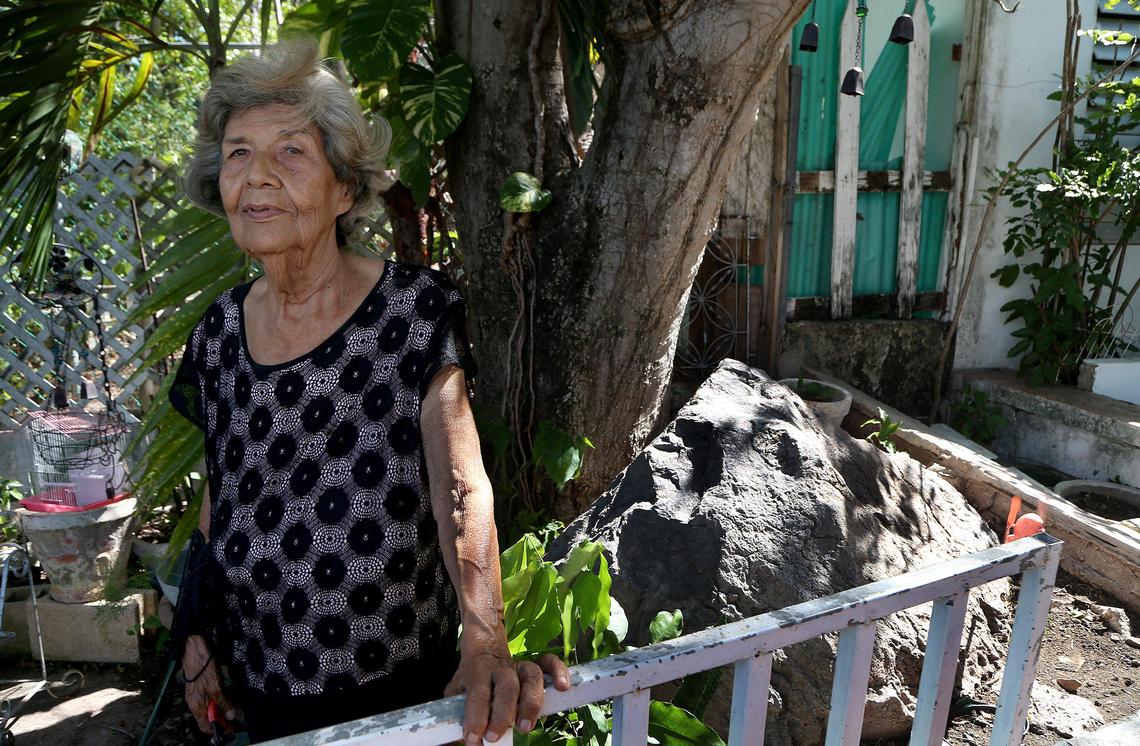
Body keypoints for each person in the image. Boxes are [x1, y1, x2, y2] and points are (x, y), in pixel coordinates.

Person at [167, 39, 569, 743]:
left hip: (397, 702)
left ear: (344, 188)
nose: (257, 176)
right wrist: (197, 630)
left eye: (290, 152)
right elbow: (222, 492)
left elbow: (460, 484)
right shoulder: (220, 332)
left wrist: (484, 643)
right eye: (238, 153)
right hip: (262, 695)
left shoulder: (411, 313)